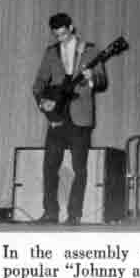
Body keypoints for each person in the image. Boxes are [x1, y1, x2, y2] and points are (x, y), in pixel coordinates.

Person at [32, 12, 107, 225]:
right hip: (57, 115)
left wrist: (93, 79)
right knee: (49, 166)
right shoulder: (50, 52)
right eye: (57, 36)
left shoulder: (90, 50)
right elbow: (38, 83)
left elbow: (102, 82)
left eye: (64, 34)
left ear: (71, 28)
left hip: (80, 117)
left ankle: (74, 214)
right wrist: (43, 103)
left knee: (79, 168)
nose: (61, 39)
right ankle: (50, 212)